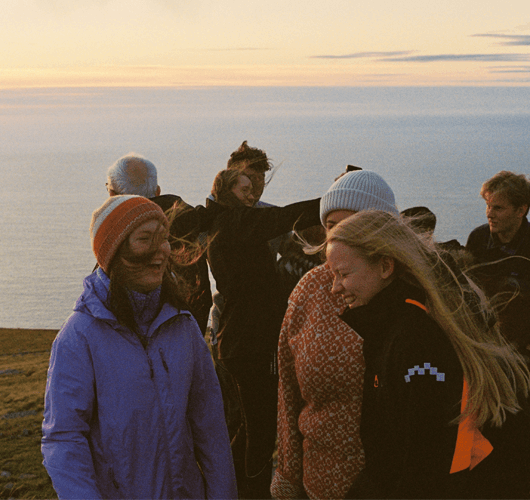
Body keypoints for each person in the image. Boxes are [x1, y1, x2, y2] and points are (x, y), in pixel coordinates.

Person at [326, 209, 530, 499]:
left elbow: (424, 469)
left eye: (343, 274)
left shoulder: (416, 344)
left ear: (386, 266)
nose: (334, 288)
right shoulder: (408, 323)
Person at [41, 195, 237, 499]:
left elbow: (210, 426)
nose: (160, 251)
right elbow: (64, 438)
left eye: (164, 239)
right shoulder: (79, 336)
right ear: (113, 252)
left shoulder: (182, 326)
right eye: (144, 239)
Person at [272, 169, 398, 500]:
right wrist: (287, 472)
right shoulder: (310, 290)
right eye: (331, 226)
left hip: (398, 484)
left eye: (352, 225)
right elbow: (287, 389)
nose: (338, 236)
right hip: (321, 484)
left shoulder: (415, 299)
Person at [206, 168, 321, 499]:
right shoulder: (237, 223)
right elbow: (283, 217)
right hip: (252, 343)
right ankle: (251, 491)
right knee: (262, 426)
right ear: (227, 191)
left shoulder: (222, 224)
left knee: (248, 423)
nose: (252, 194)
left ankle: (232, 486)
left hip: (238, 340)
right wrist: (330, 201)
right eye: (244, 188)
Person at [466, 171, 530, 436]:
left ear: (521, 209)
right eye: (487, 205)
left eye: (498, 207)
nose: (489, 213)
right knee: (489, 433)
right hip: (488, 355)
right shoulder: (477, 241)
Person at [105, 152, 213, 335]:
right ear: (157, 191)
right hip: (190, 337)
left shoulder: (122, 245)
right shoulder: (187, 225)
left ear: (112, 195)